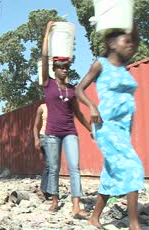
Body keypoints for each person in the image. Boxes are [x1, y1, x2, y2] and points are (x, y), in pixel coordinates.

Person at [74, 23, 149, 230]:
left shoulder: (123, 67)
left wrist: (131, 18)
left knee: (110, 174)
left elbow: (134, 38)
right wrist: (92, 106)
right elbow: (79, 89)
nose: (131, 46)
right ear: (111, 43)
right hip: (105, 126)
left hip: (123, 127)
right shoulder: (101, 64)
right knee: (132, 166)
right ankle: (134, 226)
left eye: (132, 43)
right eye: (125, 41)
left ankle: (94, 218)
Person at [41, 21, 92, 218]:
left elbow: (78, 112)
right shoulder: (48, 84)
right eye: (60, 67)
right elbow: (44, 57)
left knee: (74, 168)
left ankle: (76, 205)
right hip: (52, 133)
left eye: (66, 67)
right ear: (54, 69)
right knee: (54, 168)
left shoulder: (72, 89)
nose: (64, 69)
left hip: (70, 132)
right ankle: (54, 200)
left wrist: (89, 128)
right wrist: (47, 32)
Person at [33, 103, 51, 200]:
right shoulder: (42, 107)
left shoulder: (59, 105)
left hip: (56, 138)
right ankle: (43, 190)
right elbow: (36, 126)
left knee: (54, 164)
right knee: (50, 163)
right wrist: (36, 139)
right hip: (44, 136)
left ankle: (49, 190)